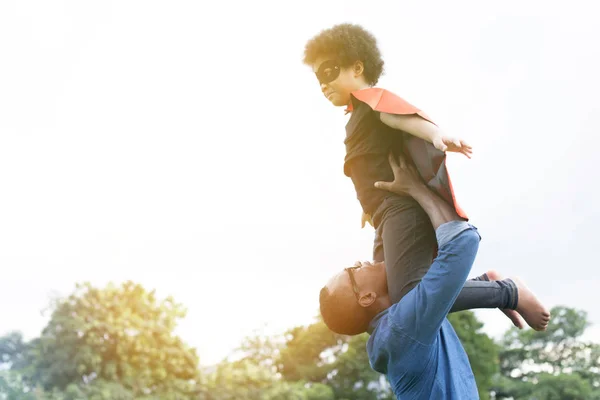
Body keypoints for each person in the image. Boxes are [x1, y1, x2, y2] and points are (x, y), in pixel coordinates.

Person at [319, 154, 550, 399]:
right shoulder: (402, 328)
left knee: (414, 291)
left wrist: (378, 213)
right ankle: (506, 291)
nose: (359, 263)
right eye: (353, 270)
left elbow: (388, 261)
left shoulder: (393, 325)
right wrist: (416, 189)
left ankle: (487, 286)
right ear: (366, 297)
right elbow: (462, 243)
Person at [303, 24, 473, 305]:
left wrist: (438, 135)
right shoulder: (355, 116)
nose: (322, 85)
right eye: (317, 79)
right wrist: (368, 206)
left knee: (409, 293)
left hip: (399, 210)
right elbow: (366, 165)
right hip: (382, 214)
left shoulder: (372, 101)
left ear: (357, 68)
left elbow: (401, 117)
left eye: (328, 72)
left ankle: (502, 290)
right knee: (388, 296)